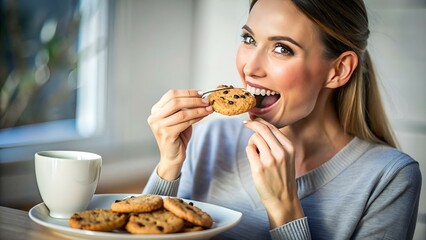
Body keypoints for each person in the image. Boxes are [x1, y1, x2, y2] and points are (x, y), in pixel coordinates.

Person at [143, 0, 422, 239]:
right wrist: (168, 168)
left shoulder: (390, 177)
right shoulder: (210, 139)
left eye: (282, 48)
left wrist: (284, 208)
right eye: (249, 39)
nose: (250, 68)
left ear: (338, 70)